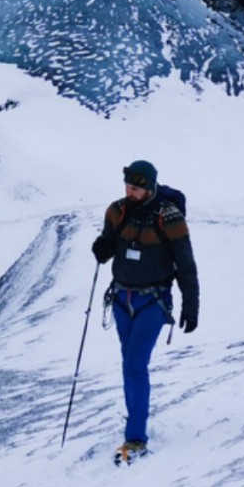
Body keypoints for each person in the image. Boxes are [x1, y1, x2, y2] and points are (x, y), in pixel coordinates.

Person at [89, 159, 198, 463]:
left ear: (149, 186)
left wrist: (191, 305)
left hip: (153, 301)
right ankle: (134, 424)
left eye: (136, 188)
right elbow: (109, 244)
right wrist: (101, 247)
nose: (130, 192)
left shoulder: (170, 217)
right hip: (122, 299)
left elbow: (186, 265)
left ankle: (135, 437)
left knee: (135, 364)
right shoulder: (117, 211)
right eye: (127, 186)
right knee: (130, 364)